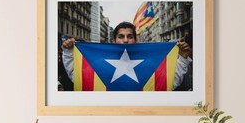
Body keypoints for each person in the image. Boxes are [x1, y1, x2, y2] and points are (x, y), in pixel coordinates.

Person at [60, 21, 192, 91]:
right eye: (120, 36)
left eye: (130, 36)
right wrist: (68, 52)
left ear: (136, 40)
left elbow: (170, 83)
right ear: (114, 40)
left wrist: (183, 58)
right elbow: (77, 77)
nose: (125, 40)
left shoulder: (150, 64)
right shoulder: (99, 63)